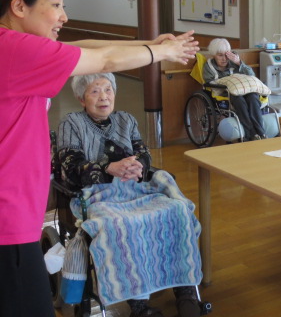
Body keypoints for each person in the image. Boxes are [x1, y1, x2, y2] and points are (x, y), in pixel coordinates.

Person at [0, 0, 198, 317]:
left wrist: (147, 43)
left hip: (16, 211)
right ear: (19, 7)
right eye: (56, 3)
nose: (63, 15)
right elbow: (102, 58)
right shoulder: (14, 50)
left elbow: (86, 46)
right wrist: (162, 53)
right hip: (7, 217)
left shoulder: (16, 46)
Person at [57, 74, 202, 317]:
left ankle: (185, 290)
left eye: (108, 89)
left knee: (177, 211)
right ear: (82, 99)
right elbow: (71, 167)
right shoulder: (71, 123)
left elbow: (143, 154)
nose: (104, 96)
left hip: (136, 189)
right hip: (97, 195)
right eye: (95, 91)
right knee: (123, 225)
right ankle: (139, 305)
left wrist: (139, 166)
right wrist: (107, 168)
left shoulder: (126, 119)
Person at [202, 38, 266, 141]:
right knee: (239, 100)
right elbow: (209, 83)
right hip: (224, 94)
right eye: (220, 55)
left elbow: (251, 75)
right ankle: (251, 134)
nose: (224, 59)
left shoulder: (234, 61)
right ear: (214, 55)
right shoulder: (209, 66)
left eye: (226, 55)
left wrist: (239, 63)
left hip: (244, 90)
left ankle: (261, 132)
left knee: (253, 97)